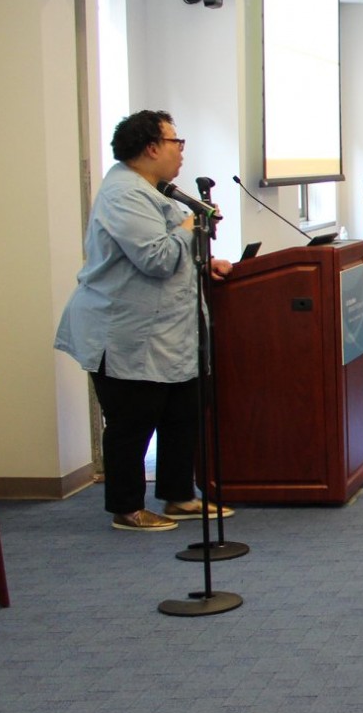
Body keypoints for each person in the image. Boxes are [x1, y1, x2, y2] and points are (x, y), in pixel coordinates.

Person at [54, 109, 233, 532]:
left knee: (180, 413)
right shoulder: (124, 194)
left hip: (167, 332)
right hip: (125, 333)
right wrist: (191, 226)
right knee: (132, 422)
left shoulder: (155, 189)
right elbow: (155, 258)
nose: (182, 150)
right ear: (152, 148)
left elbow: (168, 255)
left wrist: (203, 264)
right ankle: (127, 508)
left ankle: (177, 496)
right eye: (176, 141)